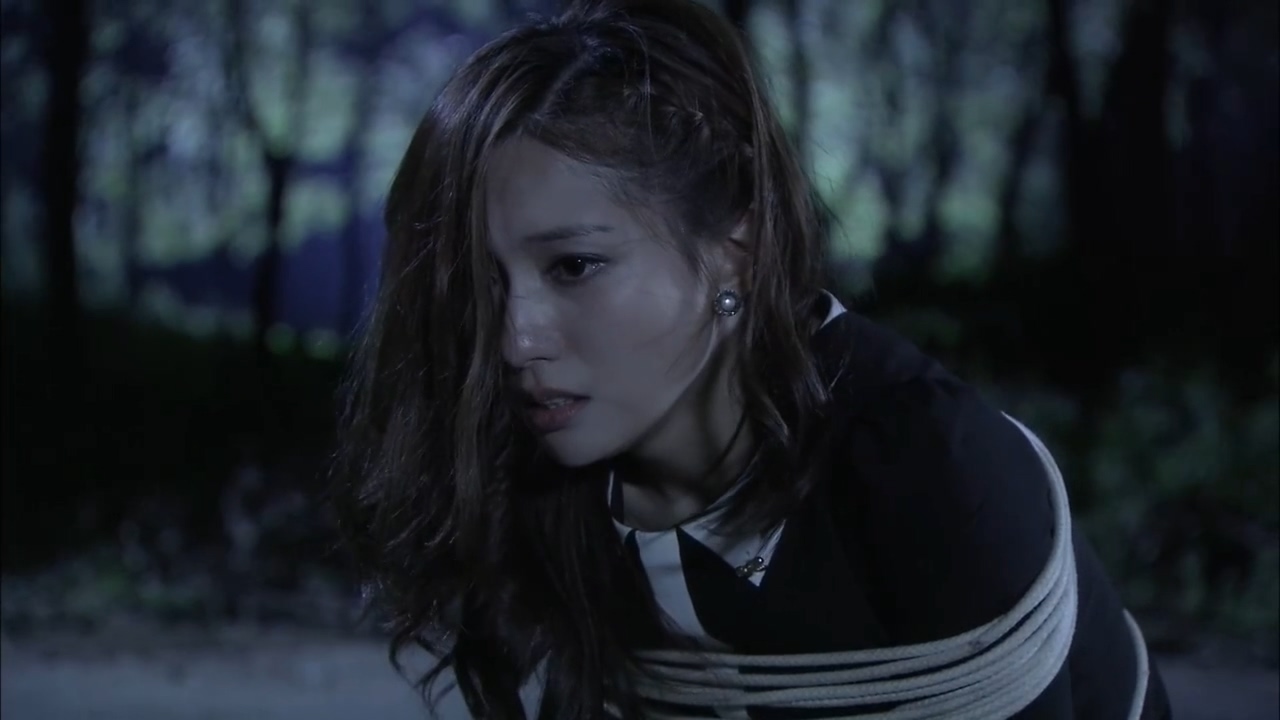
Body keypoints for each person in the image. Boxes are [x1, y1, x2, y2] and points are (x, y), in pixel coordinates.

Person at [329, 0, 1173, 718]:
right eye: (484, 284)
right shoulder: (550, 482)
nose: (515, 340)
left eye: (574, 266)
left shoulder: (929, 469)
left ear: (736, 249)